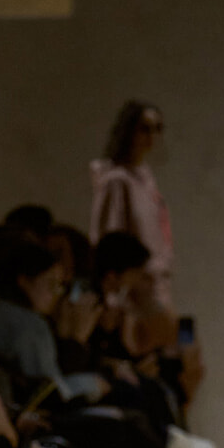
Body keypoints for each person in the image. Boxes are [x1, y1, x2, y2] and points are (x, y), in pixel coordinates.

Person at [90, 102, 175, 312]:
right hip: (130, 288)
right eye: (145, 129)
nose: (152, 136)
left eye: (157, 128)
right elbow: (110, 238)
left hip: (153, 282)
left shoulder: (146, 179)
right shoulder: (117, 181)